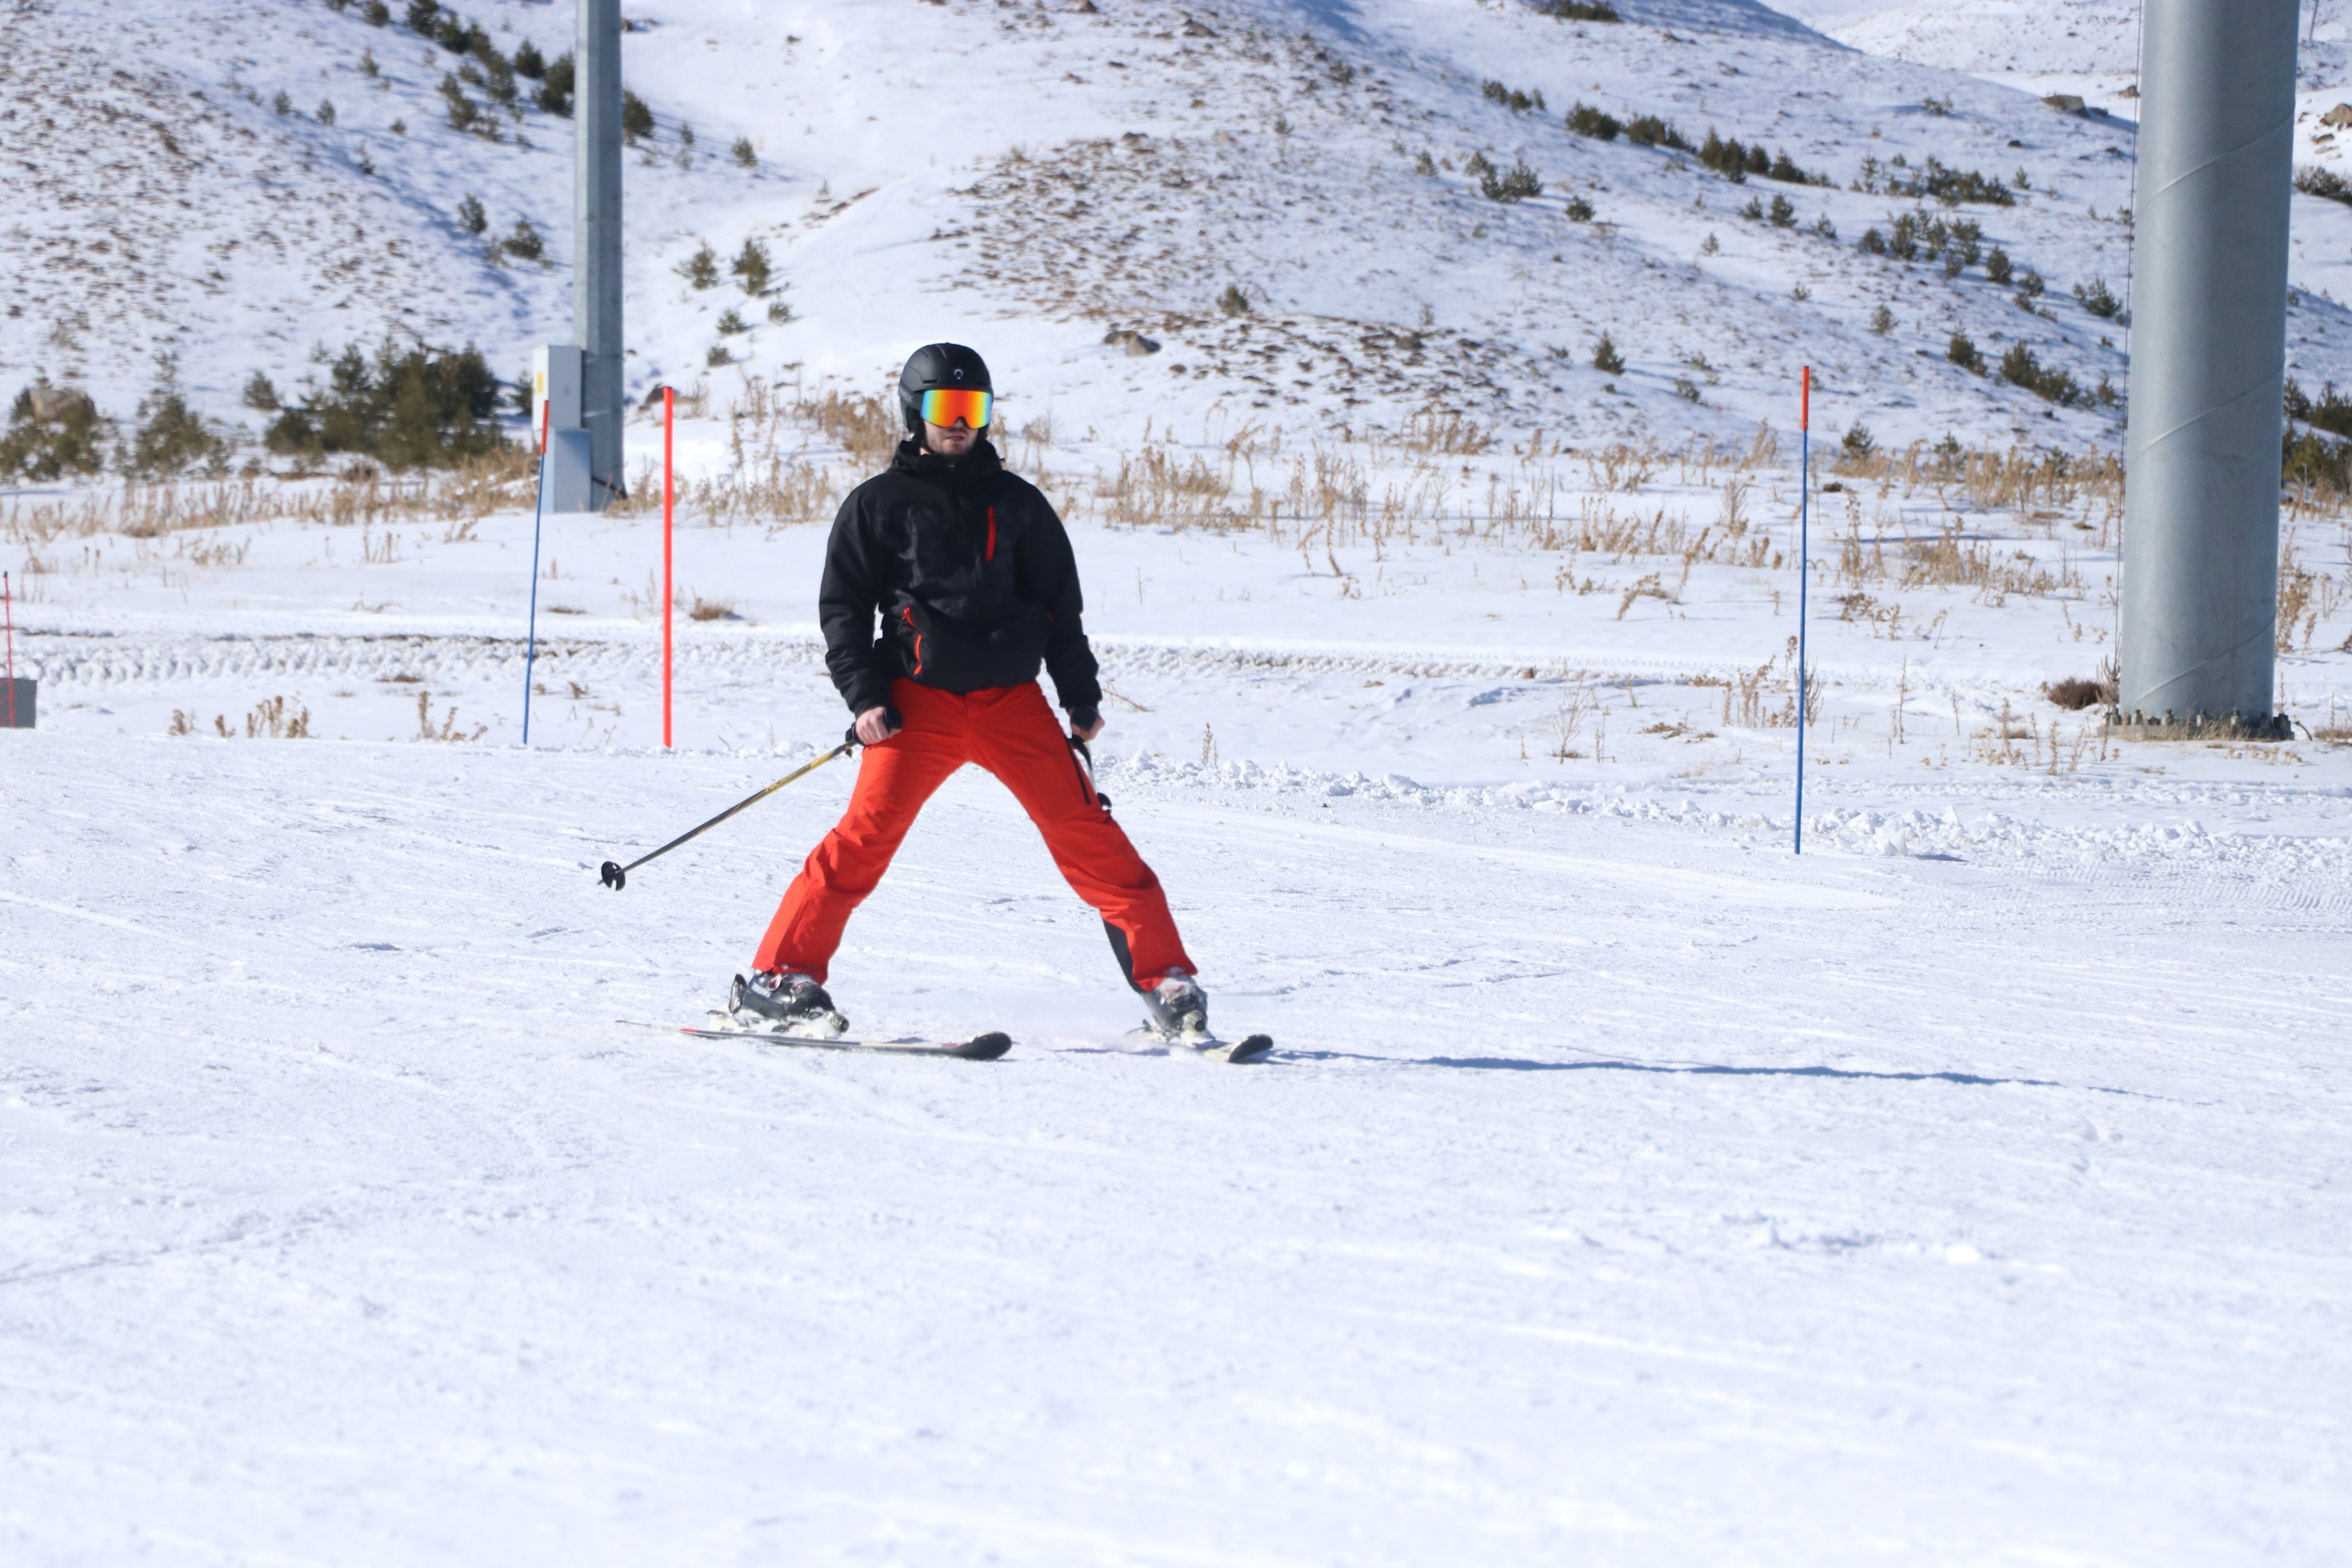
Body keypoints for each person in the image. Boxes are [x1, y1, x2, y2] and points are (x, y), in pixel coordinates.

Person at [728, 343, 1209, 1040]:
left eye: (974, 409)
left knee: (1089, 836)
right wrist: (866, 699)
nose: (960, 423)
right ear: (915, 412)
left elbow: (1058, 608)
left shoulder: (1021, 506)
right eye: (946, 409)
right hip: (915, 705)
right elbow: (844, 612)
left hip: (1012, 703)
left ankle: (1167, 979)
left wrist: (1079, 694)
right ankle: (779, 979)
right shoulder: (877, 505)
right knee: (862, 842)